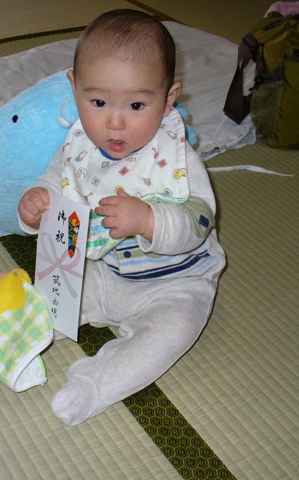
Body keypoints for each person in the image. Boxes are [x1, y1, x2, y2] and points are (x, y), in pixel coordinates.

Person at [18, 9, 226, 426]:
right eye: (98, 102)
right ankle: (15, 337)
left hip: (174, 286)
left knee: (167, 338)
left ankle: (95, 385)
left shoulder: (175, 159)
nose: (115, 122)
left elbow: (200, 221)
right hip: (102, 272)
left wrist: (149, 220)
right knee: (43, 302)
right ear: (74, 88)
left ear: (169, 98)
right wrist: (35, 207)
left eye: (136, 104)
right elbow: (55, 185)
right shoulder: (79, 147)